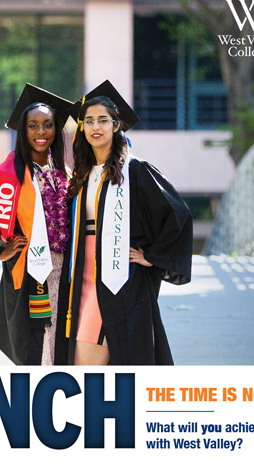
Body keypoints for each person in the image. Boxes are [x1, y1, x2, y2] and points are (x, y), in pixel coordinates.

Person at [55, 80, 193, 365]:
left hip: (117, 275)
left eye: (103, 120)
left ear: (116, 125)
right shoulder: (81, 174)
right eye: (89, 121)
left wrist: (151, 257)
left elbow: (177, 214)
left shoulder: (135, 170)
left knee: (87, 359)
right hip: (82, 272)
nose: (96, 127)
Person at [0, 84, 73, 365]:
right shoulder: (5, 177)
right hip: (27, 275)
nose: (41, 132)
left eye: (48, 125)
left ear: (56, 130)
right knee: (27, 345)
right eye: (33, 125)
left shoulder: (66, 176)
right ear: (23, 131)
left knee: (60, 344)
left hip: (66, 276)